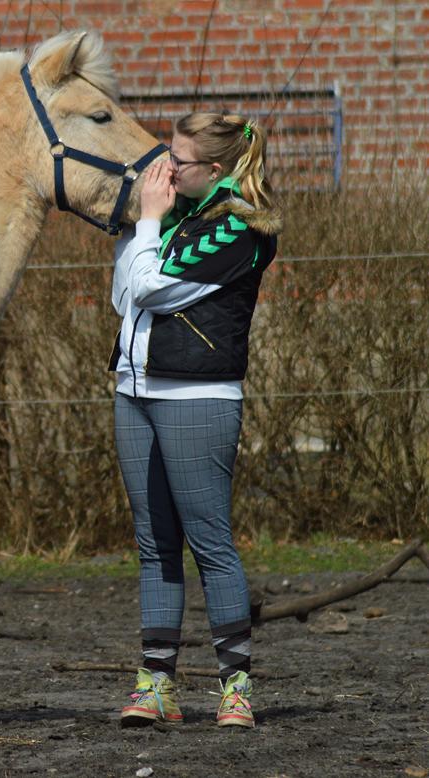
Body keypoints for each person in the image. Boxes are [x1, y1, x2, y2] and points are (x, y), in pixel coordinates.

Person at [109, 112, 282, 728]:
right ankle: (157, 685)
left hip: (197, 397)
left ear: (214, 168)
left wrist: (147, 223)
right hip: (134, 391)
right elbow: (123, 294)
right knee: (154, 545)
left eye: (178, 159)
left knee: (210, 542)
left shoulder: (240, 228)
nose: (167, 166)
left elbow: (150, 291)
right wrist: (148, 224)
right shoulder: (176, 216)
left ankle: (236, 689)